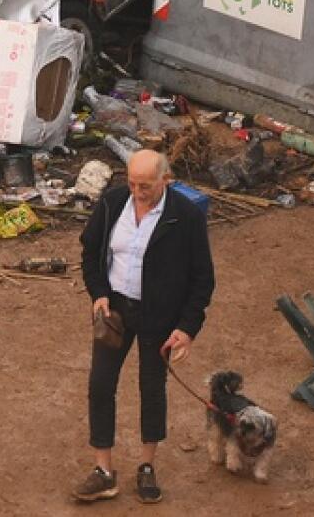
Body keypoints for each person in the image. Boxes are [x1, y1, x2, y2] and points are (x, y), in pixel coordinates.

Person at [75, 149, 213, 503]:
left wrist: (187, 328)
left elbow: (203, 279)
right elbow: (90, 252)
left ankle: (147, 466)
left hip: (160, 316)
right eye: (133, 183)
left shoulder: (186, 217)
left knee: (152, 388)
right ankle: (103, 471)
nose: (137, 192)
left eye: (146, 186)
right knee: (100, 384)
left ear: (165, 181)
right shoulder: (112, 203)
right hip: (116, 312)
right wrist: (99, 293)